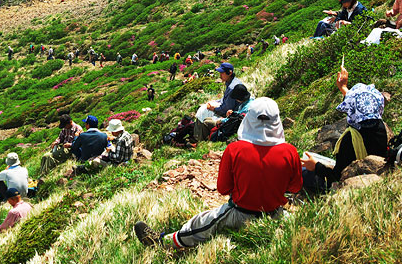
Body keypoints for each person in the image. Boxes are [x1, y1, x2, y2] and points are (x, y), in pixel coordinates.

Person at [135, 98, 302, 250]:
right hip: (275, 214)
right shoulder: (290, 152)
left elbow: (223, 188)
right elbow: (295, 187)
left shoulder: (235, 150)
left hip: (241, 213)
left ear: (249, 119)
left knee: (201, 223)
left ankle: (162, 242)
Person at [301, 67, 387, 193]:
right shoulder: (380, 127)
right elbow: (360, 106)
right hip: (371, 174)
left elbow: (337, 176)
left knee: (303, 172)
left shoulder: (350, 140)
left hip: (351, 183)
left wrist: (315, 166)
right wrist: (343, 87)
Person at [194, 63, 245, 142]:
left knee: (202, 112)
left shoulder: (231, 88)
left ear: (230, 73)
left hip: (229, 113)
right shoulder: (233, 82)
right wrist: (215, 102)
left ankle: (198, 139)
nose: (220, 75)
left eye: (222, 73)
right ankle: (199, 137)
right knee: (203, 109)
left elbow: (226, 109)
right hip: (229, 110)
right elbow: (225, 100)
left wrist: (214, 108)